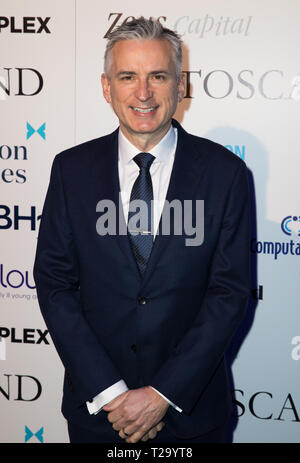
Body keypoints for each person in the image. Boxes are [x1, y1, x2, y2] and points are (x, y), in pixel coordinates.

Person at [34, 17, 250, 443]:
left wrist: (162, 394)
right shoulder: (71, 170)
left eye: (158, 76)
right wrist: (111, 393)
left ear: (179, 84)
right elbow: (55, 283)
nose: (144, 92)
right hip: (98, 414)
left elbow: (229, 293)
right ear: (106, 87)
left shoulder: (226, 173)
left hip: (190, 415)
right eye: (128, 76)